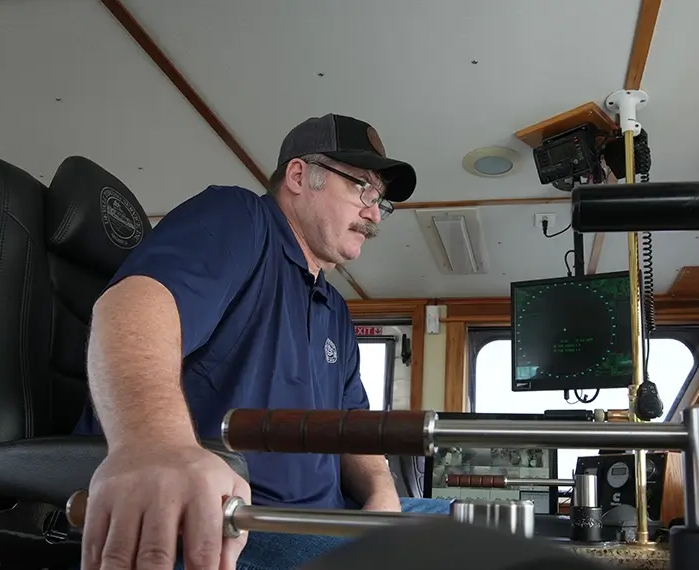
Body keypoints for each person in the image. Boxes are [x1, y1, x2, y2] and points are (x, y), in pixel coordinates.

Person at [75, 113, 453, 570]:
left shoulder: (334, 309)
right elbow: (133, 307)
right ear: (299, 176)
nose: (374, 213)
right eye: (362, 189)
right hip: (249, 520)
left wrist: (382, 496)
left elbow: (354, 423)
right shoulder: (241, 219)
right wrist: (155, 445)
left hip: (330, 517)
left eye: (380, 201)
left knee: (499, 532)